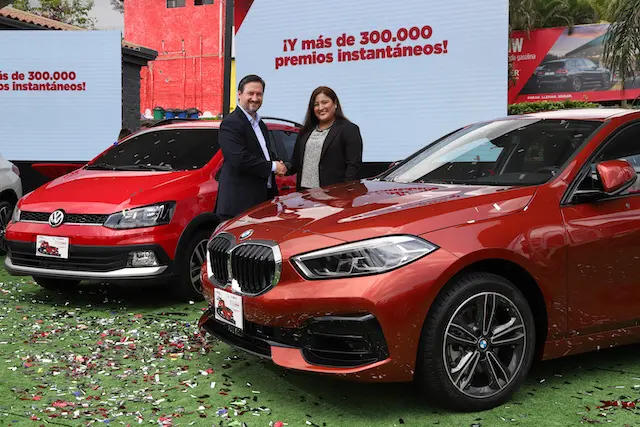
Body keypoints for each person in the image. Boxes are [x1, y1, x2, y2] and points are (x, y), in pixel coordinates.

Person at [214, 74, 287, 220]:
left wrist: (280, 164)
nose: (255, 98)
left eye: (259, 94)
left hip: (262, 203)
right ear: (239, 94)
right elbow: (239, 158)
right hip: (239, 205)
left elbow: (264, 154)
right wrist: (273, 166)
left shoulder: (260, 124)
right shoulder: (231, 123)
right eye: (251, 93)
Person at [286, 86, 363, 191]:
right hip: (305, 195)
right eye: (316, 104)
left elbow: (353, 166)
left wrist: (346, 193)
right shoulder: (305, 131)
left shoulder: (348, 129)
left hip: (334, 196)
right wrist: (283, 167)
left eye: (325, 102)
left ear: (335, 103)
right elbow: (296, 161)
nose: (320, 108)